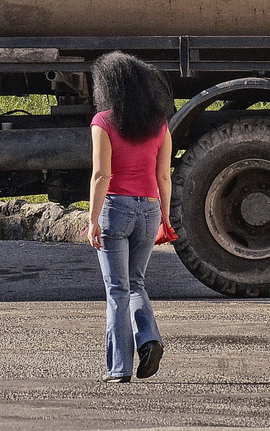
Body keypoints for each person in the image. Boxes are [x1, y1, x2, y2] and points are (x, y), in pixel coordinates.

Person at [86, 52, 176, 383]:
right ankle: (149, 338)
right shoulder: (160, 124)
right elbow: (164, 176)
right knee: (136, 282)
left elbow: (101, 175)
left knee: (117, 290)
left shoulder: (103, 122)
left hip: (116, 210)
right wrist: (165, 218)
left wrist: (92, 218)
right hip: (150, 209)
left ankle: (119, 368)